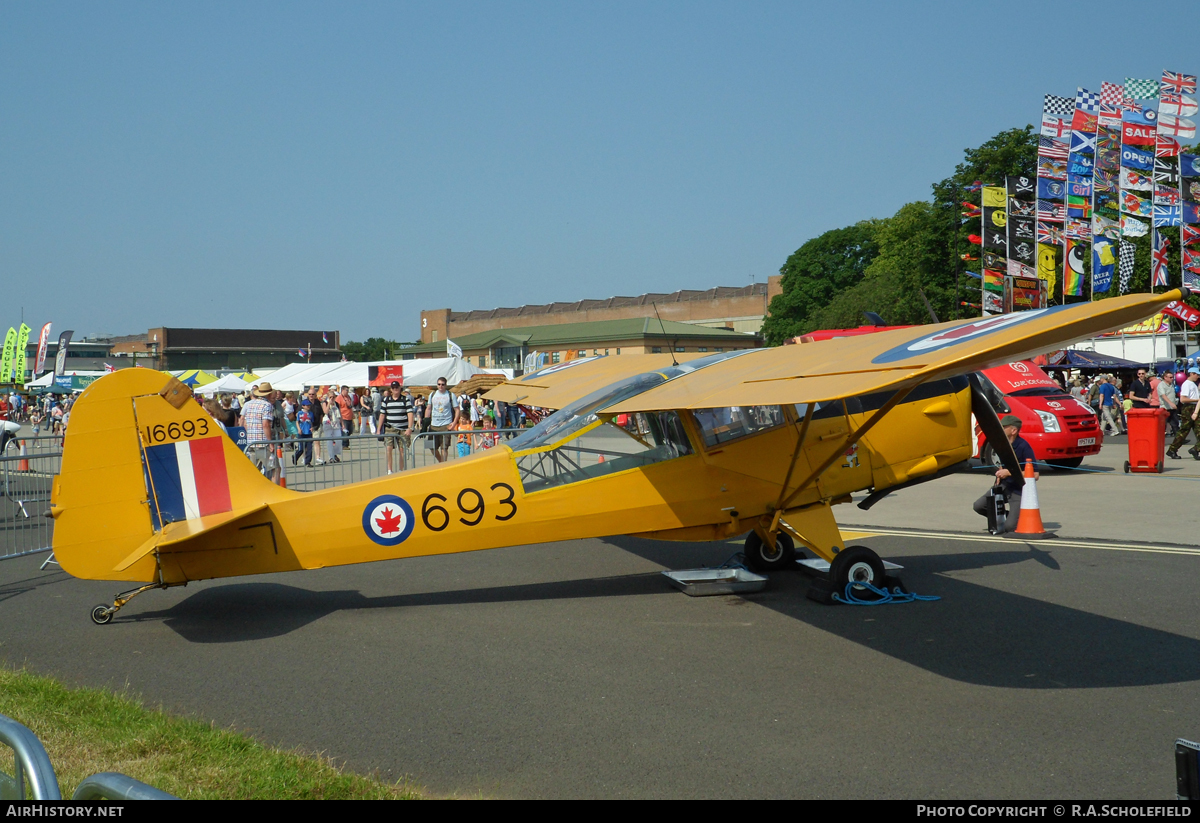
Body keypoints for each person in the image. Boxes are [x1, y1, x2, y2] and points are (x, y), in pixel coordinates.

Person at [972, 415, 1038, 534]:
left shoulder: (1024, 447)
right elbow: (1004, 463)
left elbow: (1036, 475)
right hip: (1003, 486)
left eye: (1004, 427)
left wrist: (1008, 472)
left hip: (1018, 490)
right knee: (979, 506)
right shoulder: (1003, 444)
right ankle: (1005, 517)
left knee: (1009, 527)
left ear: (1014, 431)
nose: (1000, 429)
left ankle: (1016, 519)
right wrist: (1000, 473)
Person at [239, 382, 278, 482]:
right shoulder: (267, 405)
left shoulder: (249, 404)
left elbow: (244, 422)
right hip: (263, 443)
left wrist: (250, 434)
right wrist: (270, 443)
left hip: (251, 443)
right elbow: (266, 424)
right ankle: (275, 492)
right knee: (275, 469)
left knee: (253, 472)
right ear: (269, 394)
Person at [377, 380, 415, 475]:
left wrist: (409, 428)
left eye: (397, 388)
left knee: (402, 449)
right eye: (393, 388)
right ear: (391, 389)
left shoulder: (405, 399)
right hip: (390, 427)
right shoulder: (386, 400)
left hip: (403, 428)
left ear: (400, 388)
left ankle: (401, 470)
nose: (395, 390)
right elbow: (382, 415)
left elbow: (410, 414)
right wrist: (378, 429)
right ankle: (390, 470)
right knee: (388, 448)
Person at [1167, 367, 1200, 460]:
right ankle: (1172, 450)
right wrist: (1197, 400)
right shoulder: (1187, 384)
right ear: (1192, 374)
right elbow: (1183, 399)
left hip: (1194, 407)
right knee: (1184, 431)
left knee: (1198, 431)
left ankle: (1196, 449)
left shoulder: (1192, 384)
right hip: (1189, 408)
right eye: (1197, 375)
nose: (1198, 377)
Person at [425, 377, 460, 463]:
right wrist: (425, 421)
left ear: (446, 385)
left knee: (444, 447)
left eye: (442, 384)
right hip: (434, 425)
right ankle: (442, 462)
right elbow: (428, 408)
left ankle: (443, 464)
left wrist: (454, 423)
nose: (440, 386)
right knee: (430, 446)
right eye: (439, 384)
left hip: (446, 424)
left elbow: (457, 409)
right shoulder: (432, 395)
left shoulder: (450, 395)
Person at [294, 398, 314, 466]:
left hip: (308, 433)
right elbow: (297, 422)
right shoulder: (300, 413)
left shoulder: (311, 413)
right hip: (302, 432)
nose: (308, 407)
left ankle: (307, 462)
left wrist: (312, 427)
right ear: (303, 406)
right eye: (307, 405)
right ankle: (295, 457)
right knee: (301, 448)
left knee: (309, 448)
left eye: (309, 405)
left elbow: (311, 422)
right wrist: (299, 429)